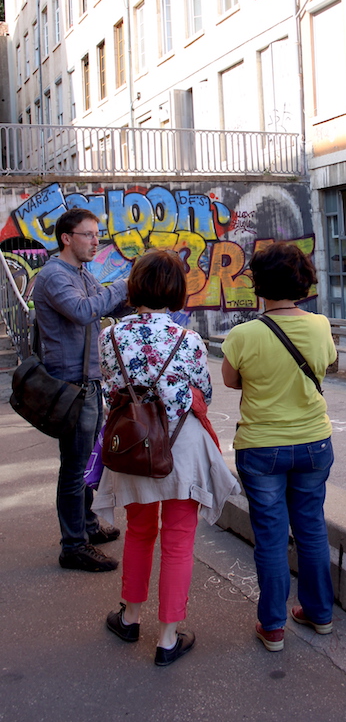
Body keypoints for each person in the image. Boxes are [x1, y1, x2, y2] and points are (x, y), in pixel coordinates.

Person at [95, 250, 240, 666]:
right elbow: (204, 397)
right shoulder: (188, 340)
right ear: (176, 290)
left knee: (140, 531)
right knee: (179, 540)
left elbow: (112, 390)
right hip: (181, 448)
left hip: (135, 446)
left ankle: (130, 616)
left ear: (135, 285)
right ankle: (168, 638)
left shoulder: (111, 336)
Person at [221, 242, 337, 652]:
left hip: (261, 447)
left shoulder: (242, 335)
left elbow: (231, 382)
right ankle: (320, 613)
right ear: (303, 282)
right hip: (313, 442)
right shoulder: (321, 326)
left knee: (270, 537)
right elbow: (327, 365)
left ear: (259, 285)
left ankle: (272, 626)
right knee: (311, 528)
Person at [33, 208, 128, 572]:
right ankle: (73, 545)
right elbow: (83, 311)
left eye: (97, 234)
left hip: (87, 384)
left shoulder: (80, 273)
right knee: (74, 469)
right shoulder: (55, 276)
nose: (96, 241)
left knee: (87, 463)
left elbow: (105, 305)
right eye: (88, 235)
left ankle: (86, 527)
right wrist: (122, 284)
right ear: (66, 239)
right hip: (70, 387)